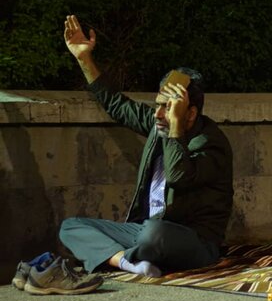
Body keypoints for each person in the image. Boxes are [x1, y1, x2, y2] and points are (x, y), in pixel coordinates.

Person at [59, 15, 233, 277]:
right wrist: (84, 58)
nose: (158, 114)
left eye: (169, 107)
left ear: (191, 113)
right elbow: (117, 104)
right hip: (145, 230)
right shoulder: (158, 124)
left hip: (193, 241)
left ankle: (112, 254)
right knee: (70, 227)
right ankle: (129, 263)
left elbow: (178, 176)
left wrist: (175, 128)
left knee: (153, 234)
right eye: (158, 105)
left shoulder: (211, 143)